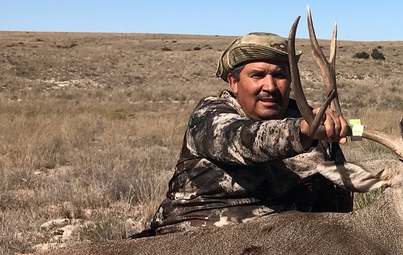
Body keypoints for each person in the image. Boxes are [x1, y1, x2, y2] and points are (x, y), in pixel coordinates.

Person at [144, 32, 352, 235]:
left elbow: (336, 199)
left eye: (279, 75)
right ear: (233, 82)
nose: (270, 86)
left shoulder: (309, 119)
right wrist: (301, 131)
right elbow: (243, 139)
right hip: (194, 244)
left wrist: (347, 128)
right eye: (257, 75)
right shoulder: (209, 116)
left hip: (287, 248)